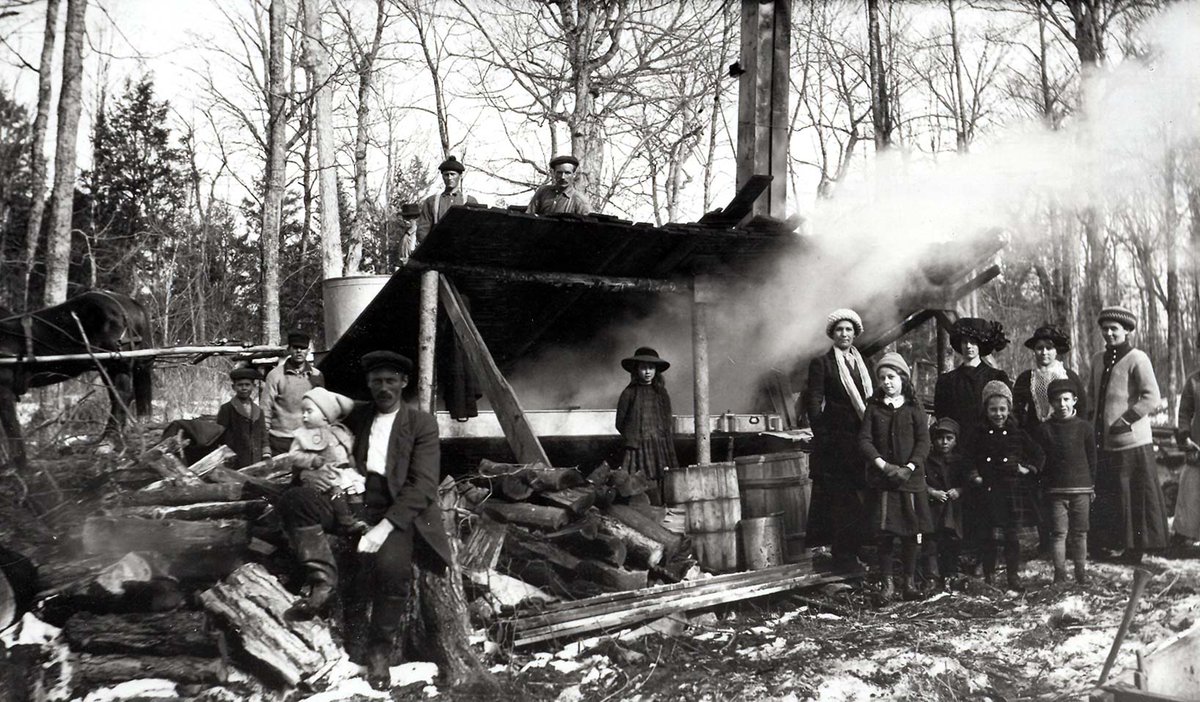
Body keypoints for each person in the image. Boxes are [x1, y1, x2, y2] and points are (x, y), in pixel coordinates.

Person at [1088, 305, 1169, 564]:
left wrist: (1126, 420)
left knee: (1132, 495)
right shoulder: (1097, 359)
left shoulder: (1138, 358)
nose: (1109, 333)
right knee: (1110, 494)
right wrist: (1090, 422)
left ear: (1127, 331)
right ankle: (1111, 543)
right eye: (1105, 329)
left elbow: (1152, 397)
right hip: (1103, 441)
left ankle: (1136, 548)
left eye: (1114, 329)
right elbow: (1092, 395)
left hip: (1131, 441)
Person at [934, 317, 1010, 574]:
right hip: (956, 451)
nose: (969, 347)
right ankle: (956, 558)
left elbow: (1005, 416)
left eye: (974, 342)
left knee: (984, 504)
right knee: (956, 503)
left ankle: (983, 557)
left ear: (982, 345)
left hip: (985, 451)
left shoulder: (995, 376)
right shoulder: (947, 381)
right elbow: (942, 419)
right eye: (964, 342)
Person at [857, 352, 931, 603]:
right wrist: (884, 466)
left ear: (903, 378)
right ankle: (887, 584)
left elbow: (924, 441)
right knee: (885, 533)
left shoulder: (914, 407)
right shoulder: (874, 408)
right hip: (884, 481)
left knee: (911, 532)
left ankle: (909, 583)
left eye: (892, 376)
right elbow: (864, 441)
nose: (887, 382)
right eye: (882, 378)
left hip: (910, 481)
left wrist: (909, 467)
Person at [806, 308, 873, 570]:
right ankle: (842, 556)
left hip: (862, 439)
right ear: (832, 334)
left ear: (855, 334)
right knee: (840, 500)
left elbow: (872, 398)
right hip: (835, 443)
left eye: (849, 330)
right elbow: (813, 401)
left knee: (862, 496)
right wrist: (823, 434)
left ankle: (857, 549)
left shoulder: (864, 361)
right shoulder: (822, 363)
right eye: (839, 330)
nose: (844, 334)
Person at [967, 381, 1045, 591]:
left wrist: (1028, 468)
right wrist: (974, 475)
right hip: (988, 491)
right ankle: (990, 576)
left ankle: (1013, 576)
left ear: (1009, 409)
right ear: (986, 410)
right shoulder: (978, 433)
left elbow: (1038, 454)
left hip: (1011, 490)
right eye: (993, 409)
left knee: (1011, 536)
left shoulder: (1017, 432)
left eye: (1002, 409)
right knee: (988, 535)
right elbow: (968, 458)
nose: (998, 414)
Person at [1034, 378, 1096, 584]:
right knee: (1059, 533)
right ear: (1050, 403)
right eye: (1057, 400)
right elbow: (1041, 460)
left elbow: (1092, 459)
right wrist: (1044, 486)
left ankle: (1081, 574)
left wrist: (1092, 486)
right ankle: (1059, 574)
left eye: (1066, 399)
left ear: (1075, 400)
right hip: (1056, 491)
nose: (1062, 404)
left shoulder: (1085, 428)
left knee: (1080, 534)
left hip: (1082, 489)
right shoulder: (1045, 429)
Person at [290, 387, 367, 538]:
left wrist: (353, 466)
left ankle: (361, 519)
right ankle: (346, 523)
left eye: (309, 411)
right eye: (303, 411)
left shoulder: (339, 431)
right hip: (327, 471)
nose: (304, 416)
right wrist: (312, 460)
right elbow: (294, 456)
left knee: (356, 490)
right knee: (336, 491)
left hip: (344, 470)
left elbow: (348, 450)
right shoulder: (304, 435)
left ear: (326, 415)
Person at [616, 347, 678, 505]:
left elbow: (667, 418)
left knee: (662, 479)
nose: (648, 371)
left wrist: (660, 438)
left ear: (656, 370)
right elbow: (620, 422)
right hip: (637, 445)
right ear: (636, 370)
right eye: (643, 367)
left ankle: (661, 510)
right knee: (638, 480)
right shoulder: (629, 393)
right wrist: (633, 437)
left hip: (659, 444)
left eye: (651, 367)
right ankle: (642, 511)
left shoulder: (661, 393)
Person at [1013, 325, 1087, 433]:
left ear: (1056, 351)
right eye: (1039, 348)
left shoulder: (1069, 376)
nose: (1044, 352)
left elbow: (1082, 408)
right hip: (1035, 436)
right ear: (1034, 350)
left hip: (1066, 433)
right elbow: (1017, 410)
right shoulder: (1025, 378)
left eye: (1049, 348)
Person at [264, 331, 325, 456]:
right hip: (280, 441)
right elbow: (265, 409)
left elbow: (323, 409)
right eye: (295, 347)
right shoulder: (275, 375)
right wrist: (265, 446)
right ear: (289, 349)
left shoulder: (317, 376)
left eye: (303, 348)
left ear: (308, 351)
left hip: (308, 439)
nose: (299, 351)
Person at [923, 417, 966, 590]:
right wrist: (932, 492)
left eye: (949, 438)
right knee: (931, 541)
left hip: (953, 511)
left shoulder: (960, 461)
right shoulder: (927, 461)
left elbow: (967, 482)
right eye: (940, 438)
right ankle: (932, 576)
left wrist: (959, 490)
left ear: (956, 440)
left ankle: (950, 574)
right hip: (933, 509)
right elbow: (920, 482)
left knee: (952, 541)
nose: (944, 442)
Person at [416, 156, 479, 243]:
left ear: (460, 176)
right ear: (442, 176)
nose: (449, 178)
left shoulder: (469, 201)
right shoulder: (432, 201)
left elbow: (476, 229)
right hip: (438, 249)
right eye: (446, 174)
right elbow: (422, 230)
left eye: (453, 174)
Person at [215, 366, 269, 469]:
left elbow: (263, 434)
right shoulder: (227, 409)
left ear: (253, 386)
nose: (244, 388)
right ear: (233, 387)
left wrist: (266, 453)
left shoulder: (258, 411)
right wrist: (226, 456)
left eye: (247, 385)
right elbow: (219, 436)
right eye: (240, 385)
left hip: (256, 460)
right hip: (235, 461)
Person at [1174, 356, 1200, 548]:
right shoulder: (1194, 381)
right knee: (1191, 487)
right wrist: (1185, 436)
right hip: (1197, 448)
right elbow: (1184, 413)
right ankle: (1187, 535)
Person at [527, 155, 592, 215]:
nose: (563, 177)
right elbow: (529, 216)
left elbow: (588, 225)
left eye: (567, 173)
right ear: (554, 173)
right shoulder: (543, 192)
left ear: (574, 174)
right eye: (559, 173)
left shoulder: (580, 200)